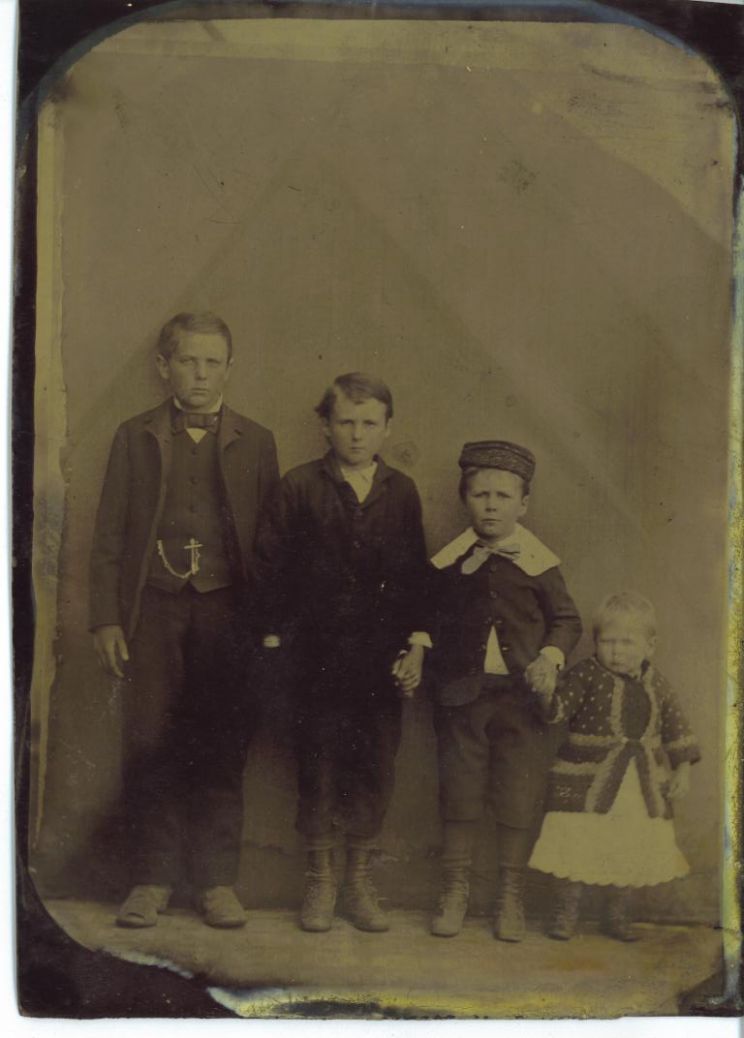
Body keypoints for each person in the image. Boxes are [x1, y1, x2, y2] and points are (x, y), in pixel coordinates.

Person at [89, 311, 279, 929]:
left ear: (229, 369)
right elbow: (109, 534)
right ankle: (151, 879)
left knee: (221, 743)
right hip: (153, 609)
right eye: (188, 361)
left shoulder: (257, 441)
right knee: (150, 742)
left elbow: (270, 544)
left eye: (212, 363)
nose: (200, 374)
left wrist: (265, 625)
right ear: (163, 366)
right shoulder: (134, 436)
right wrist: (106, 620)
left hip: (227, 613)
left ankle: (216, 882)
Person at [256, 372, 431, 933]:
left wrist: (416, 646)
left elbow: (414, 575)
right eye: (346, 422)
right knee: (319, 767)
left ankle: (357, 883)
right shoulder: (299, 486)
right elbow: (270, 571)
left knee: (374, 766)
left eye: (369, 423)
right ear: (325, 426)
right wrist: (277, 647)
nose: (357, 434)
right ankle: (320, 882)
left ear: (387, 428)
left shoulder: (401, 491)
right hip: (314, 660)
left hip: (379, 662)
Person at [428, 440, 582, 941]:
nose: (491, 505)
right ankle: (455, 891)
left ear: (523, 504)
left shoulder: (539, 563)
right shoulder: (450, 562)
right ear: (465, 500)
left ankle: (509, 895)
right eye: (480, 495)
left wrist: (550, 657)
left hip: (521, 701)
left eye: (503, 496)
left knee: (517, 795)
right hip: (462, 698)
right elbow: (427, 616)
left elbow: (567, 620)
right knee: (460, 791)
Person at [529, 591, 701, 941]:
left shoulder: (658, 684)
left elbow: (676, 727)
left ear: (650, 646)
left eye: (627, 642)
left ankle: (618, 915)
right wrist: (546, 693)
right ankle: (564, 912)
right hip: (585, 782)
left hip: (639, 787)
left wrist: (683, 769)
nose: (616, 651)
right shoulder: (585, 675)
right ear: (596, 643)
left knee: (627, 844)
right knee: (575, 842)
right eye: (608, 642)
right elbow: (558, 710)